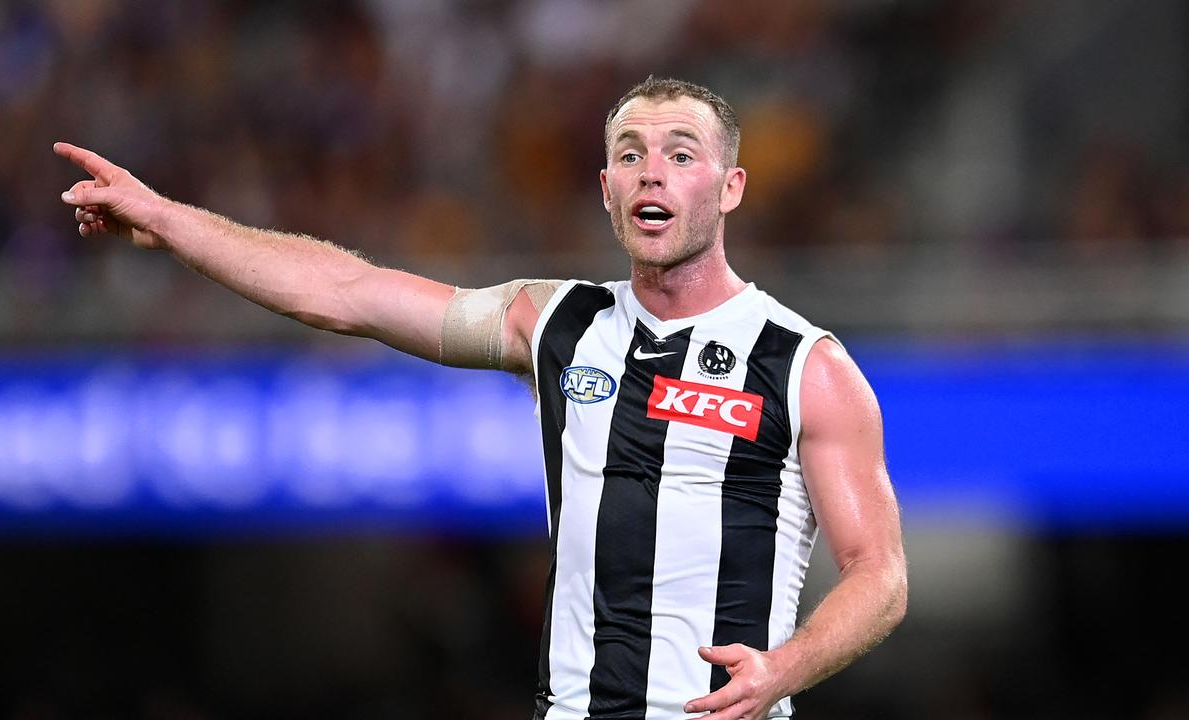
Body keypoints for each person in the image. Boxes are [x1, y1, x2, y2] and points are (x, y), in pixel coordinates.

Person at [56, 76, 906, 720]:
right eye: (630, 154)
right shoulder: (553, 322)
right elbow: (346, 291)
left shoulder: (804, 364)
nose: (653, 171)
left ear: (729, 188)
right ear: (606, 187)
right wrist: (166, 217)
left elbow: (881, 576)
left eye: (682, 153)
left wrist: (783, 670)